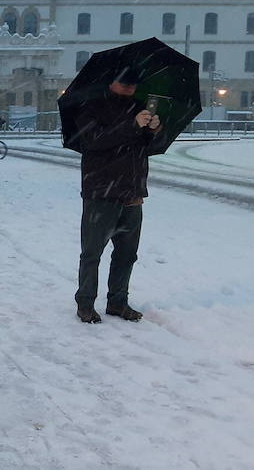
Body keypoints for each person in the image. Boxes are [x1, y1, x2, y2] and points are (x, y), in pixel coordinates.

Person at [73, 69, 161, 324]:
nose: (130, 87)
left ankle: (118, 302)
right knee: (92, 253)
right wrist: (132, 125)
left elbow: (151, 148)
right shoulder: (91, 106)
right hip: (101, 193)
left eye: (134, 83)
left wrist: (154, 130)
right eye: (124, 82)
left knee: (127, 254)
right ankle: (85, 303)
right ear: (110, 82)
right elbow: (93, 141)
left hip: (132, 193)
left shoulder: (139, 107)